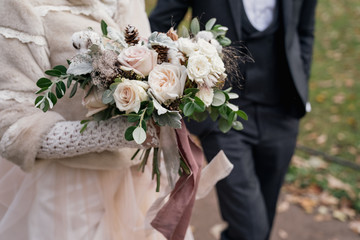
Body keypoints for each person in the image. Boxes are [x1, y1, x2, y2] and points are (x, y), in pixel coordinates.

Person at [0, 0, 170, 239]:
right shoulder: (21, 5)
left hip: (142, 181)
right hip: (72, 190)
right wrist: (117, 134)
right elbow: (12, 127)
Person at [150, 0, 318, 239]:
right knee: (251, 229)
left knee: (261, 224)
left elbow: (304, 32)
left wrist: (300, 88)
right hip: (222, 117)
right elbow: (158, 27)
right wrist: (176, 85)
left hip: (282, 115)